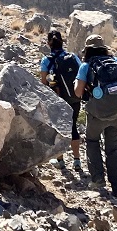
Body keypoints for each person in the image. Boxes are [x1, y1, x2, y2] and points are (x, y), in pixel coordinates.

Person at [74, 34, 117, 197]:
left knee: (92, 141)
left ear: (87, 50)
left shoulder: (86, 66)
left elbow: (78, 92)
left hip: (97, 113)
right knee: (114, 148)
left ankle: (98, 178)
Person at [39, 29, 84, 174]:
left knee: (59, 129)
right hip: (74, 97)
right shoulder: (73, 57)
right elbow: (81, 76)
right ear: (62, 42)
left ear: (48, 43)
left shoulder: (46, 60)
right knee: (73, 126)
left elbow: (43, 83)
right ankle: (77, 161)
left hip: (57, 99)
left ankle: (60, 161)